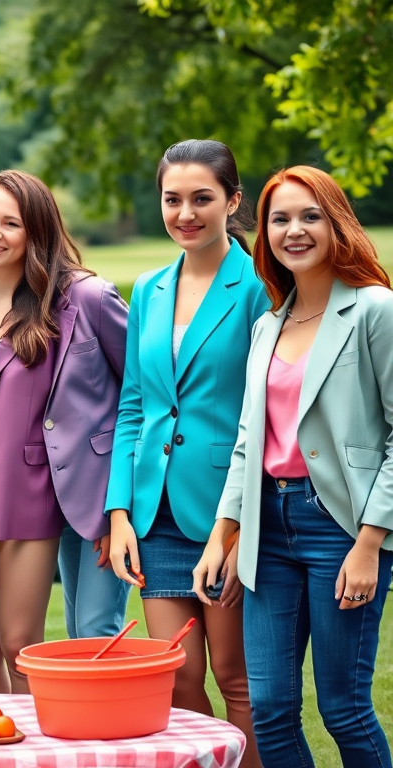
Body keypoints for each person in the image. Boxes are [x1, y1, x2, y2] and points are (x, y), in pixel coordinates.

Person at [194, 166, 393, 768]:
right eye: (280, 218)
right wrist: (221, 534)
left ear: (337, 225)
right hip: (268, 531)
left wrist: (370, 542)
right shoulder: (267, 325)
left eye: (310, 216)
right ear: (264, 233)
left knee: (344, 708)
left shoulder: (373, 311)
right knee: (271, 710)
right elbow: (248, 442)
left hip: (341, 528)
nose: (294, 230)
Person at [0, 171, 130, 693]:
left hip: (32, 490)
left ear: (37, 231)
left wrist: (119, 489)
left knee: (19, 645)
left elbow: (137, 387)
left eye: (10, 223)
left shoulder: (84, 299)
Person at [106, 139, 267, 766]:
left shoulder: (257, 286)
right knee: (175, 682)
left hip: (227, 512)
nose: (185, 213)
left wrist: (231, 530)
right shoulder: (148, 286)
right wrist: (120, 512)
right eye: (173, 199)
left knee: (237, 682)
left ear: (232, 201)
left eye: (202, 198)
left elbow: (264, 413)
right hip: (156, 516)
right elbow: (134, 407)